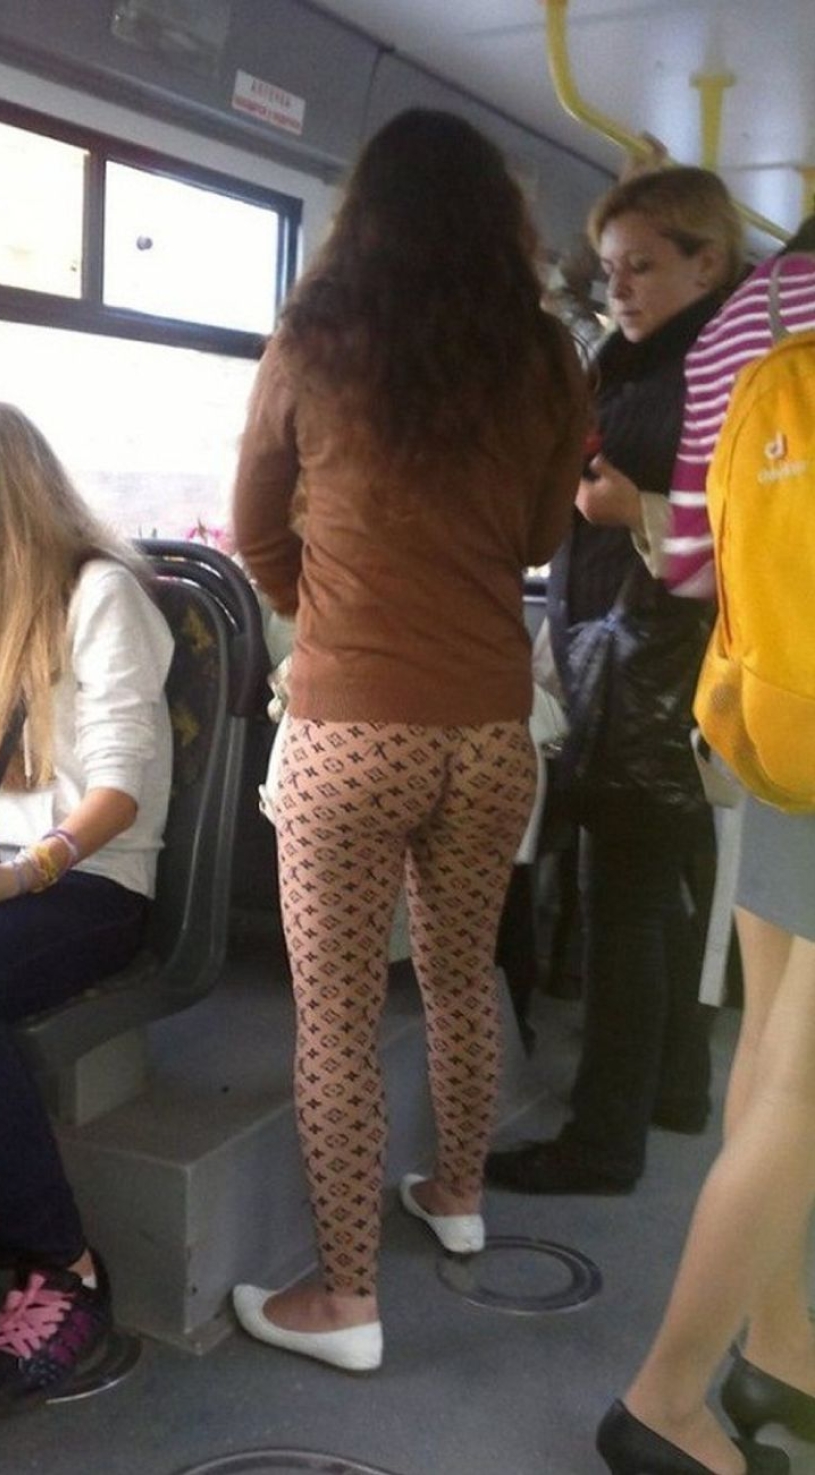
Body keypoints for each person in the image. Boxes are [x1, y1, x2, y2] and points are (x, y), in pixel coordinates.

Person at [229, 107, 588, 1372]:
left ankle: (346, 1299)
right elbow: (540, 536)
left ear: (361, 215)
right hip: (488, 729)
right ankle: (460, 1196)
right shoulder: (547, 355)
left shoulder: (312, 341)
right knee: (460, 973)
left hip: (347, 733)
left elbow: (253, 525)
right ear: (501, 221)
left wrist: (333, 620)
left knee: (334, 1016)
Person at [595, 220, 815, 1475]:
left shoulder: (756, 312)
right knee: (806, 1080)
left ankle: (780, 1348)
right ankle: (666, 1402)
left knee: (774, 1042)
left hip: (775, 713)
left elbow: (693, 558)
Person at [485, 167, 745, 1196]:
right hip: (625, 655)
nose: (620, 287)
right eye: (609, 267)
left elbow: (747, 530)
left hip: (657, 665)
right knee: (659, 895)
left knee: (623, 902)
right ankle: (675, 1086)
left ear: (706, 262)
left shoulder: (714, 375)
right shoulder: (635, 362)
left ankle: (601, 1143)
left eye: (642, 265)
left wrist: (634, 511)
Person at [0, 403, 173, 1416]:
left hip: (94, 881)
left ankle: (64, 1262)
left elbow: (119, 791)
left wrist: (24, 873)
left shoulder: (102, 596)